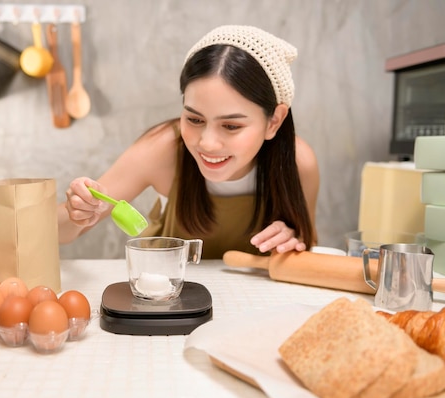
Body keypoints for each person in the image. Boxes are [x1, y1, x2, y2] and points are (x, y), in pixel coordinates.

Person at [58, 25, 319, 259]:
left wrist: (291, 241)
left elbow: (307, 246)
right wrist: (76, 214)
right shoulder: (163, 149)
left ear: (274, 120)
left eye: (231, 126)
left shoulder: (299, 164)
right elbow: (59, 233)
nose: (208, 143)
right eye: (194, 120)